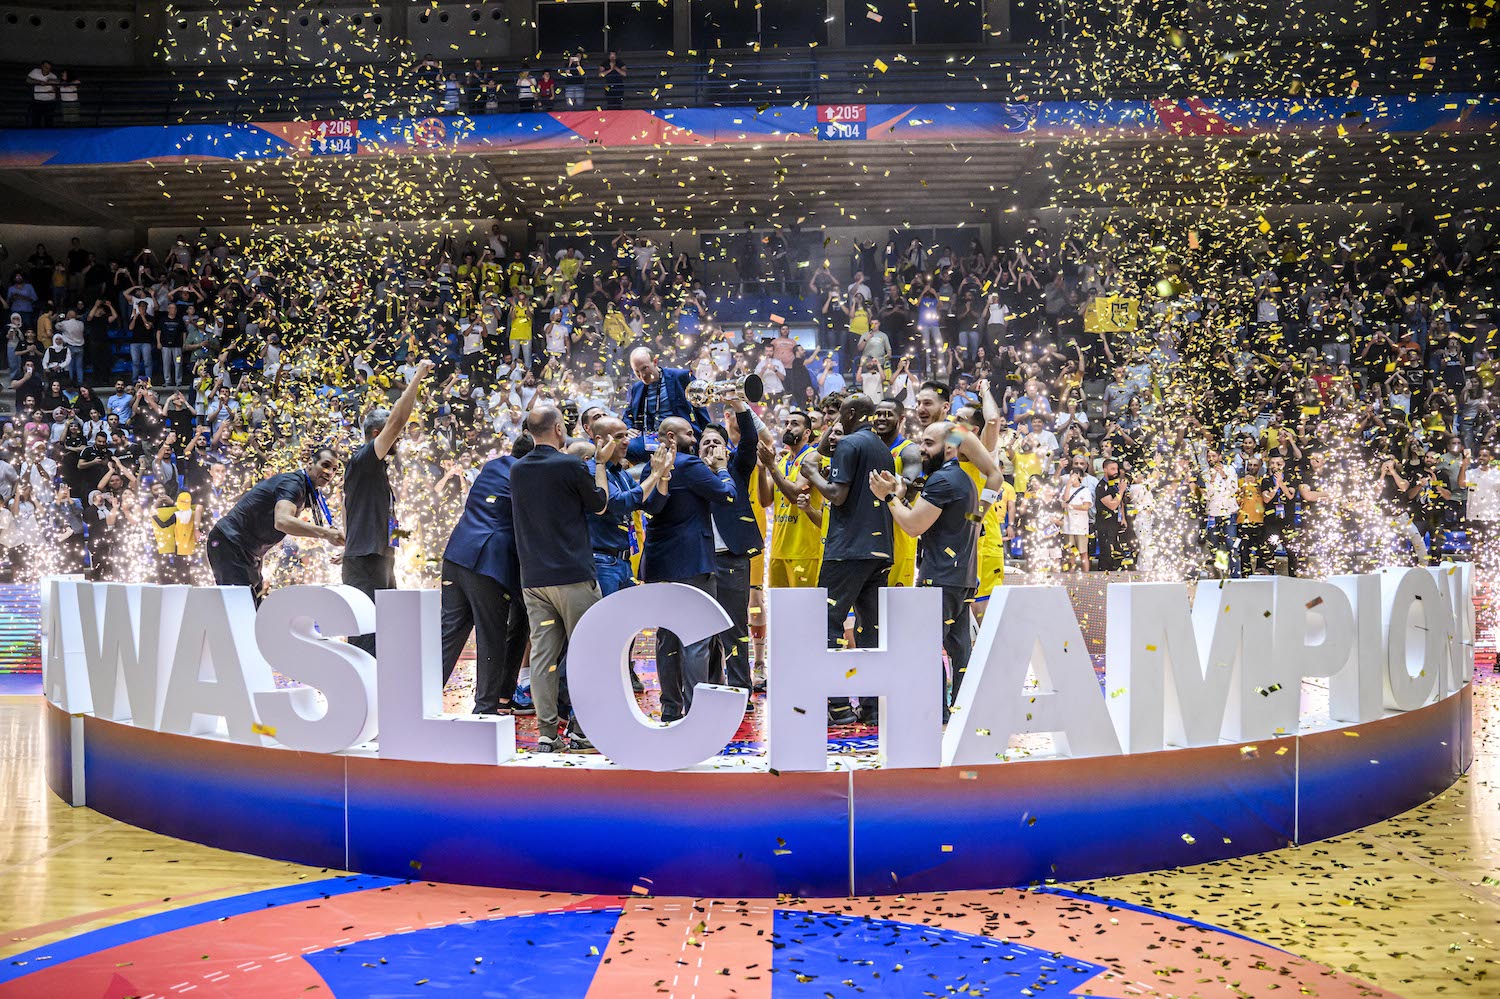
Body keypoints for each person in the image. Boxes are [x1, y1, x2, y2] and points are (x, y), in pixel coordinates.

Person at [510, 406, 611, 752]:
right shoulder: (571, 465)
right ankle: (582, 730)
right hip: (572, 576)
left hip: (534, 579)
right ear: (557, 429)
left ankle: (546, 733)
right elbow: (599, 504)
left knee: (543, 657)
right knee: (586, 652)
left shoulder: (517, 469)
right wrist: (599, 465)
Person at [869, 421, 979, 720]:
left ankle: (934, 712)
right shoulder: (963, 479)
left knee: (926, 648)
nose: (921, 449)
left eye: (929, 443)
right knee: (959, 650)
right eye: (921, 442)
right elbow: (936, 519)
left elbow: (913, 526)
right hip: (962, 577)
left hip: (940, 578)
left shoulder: (942, 480)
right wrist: (901, 497)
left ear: (950, 447)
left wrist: (888, 497)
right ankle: (961, 712)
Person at [797, 393, 894, 726]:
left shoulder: (850, 444)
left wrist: (812, 473)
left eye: (840, 413)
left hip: (847, 549)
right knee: (870, 629)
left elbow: (837, 496)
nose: (836, 421)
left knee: (827, 622)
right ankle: (872, 706)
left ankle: (837, 706)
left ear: (851, 413)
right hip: (879, 549)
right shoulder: (882, 447)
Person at [640, 415, 738, 722]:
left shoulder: (652, 467)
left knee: (666, 638)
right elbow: (728, 495)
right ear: (671, 436)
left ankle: (671, 707)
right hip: (693, 563)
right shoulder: (690, 464)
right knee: (697, 638)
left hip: (659, 563)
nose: (695, 440)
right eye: (689, 434)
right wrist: (721, 469)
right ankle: (697, 713)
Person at [341, 359, 433, 654]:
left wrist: (351, 541)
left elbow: (347, 506)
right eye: (393, 435)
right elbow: (397, 421)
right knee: (366, 638)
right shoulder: (365, 459)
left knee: (384, 634)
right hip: (366, 560)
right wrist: (417, 376)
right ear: (376, 434)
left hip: (376, 557)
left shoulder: (375, 469)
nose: (399, 438)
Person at [440, 434, 531, 717]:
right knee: (491, 638)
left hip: (457, 552)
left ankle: (417, 701)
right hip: (489, 563)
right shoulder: (527, 474)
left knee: (448, 635)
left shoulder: (492, 466)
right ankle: (486, 711)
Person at [206, 447, 345, 601]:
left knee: (254, 604)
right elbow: (282, 521)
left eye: (334, 469)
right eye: (325, 465)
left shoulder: (308, 491)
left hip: (248, 551)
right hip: (230, 542)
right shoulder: (293, 484)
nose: (330, 472)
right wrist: (326, 533)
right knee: (241, 605)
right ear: (310, 463)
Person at [703, 385, 769, 694]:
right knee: (702, 630)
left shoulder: (736, 469)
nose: (711, 446)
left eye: (717, 442)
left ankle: (742, 689)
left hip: (732, 558)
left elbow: (751, 440)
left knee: (735, 628)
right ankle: (709, 688)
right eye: (705, 442)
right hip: (700, 561)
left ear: (727, 449)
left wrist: (739, 406)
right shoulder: (689, 474)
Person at [624, 346, 711, 456]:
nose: (642, 375)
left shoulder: (680, 377)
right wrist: (628, 429)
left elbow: (699, 406)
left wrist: (709, 432)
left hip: (679, 438)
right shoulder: (637, 388)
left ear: (655, 362)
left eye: (645, 368)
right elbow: (629, 414)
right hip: (649, 440)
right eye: (637, 371)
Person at [872, 397, 921, 587]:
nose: (881, 418)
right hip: (872, 534)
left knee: (896, 598)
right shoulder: (869, 447)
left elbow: (909, 489)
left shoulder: (909, 450)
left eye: (888, 414)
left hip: (898, 536)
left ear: (901, 419)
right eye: (878, 414)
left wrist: (886, 487)